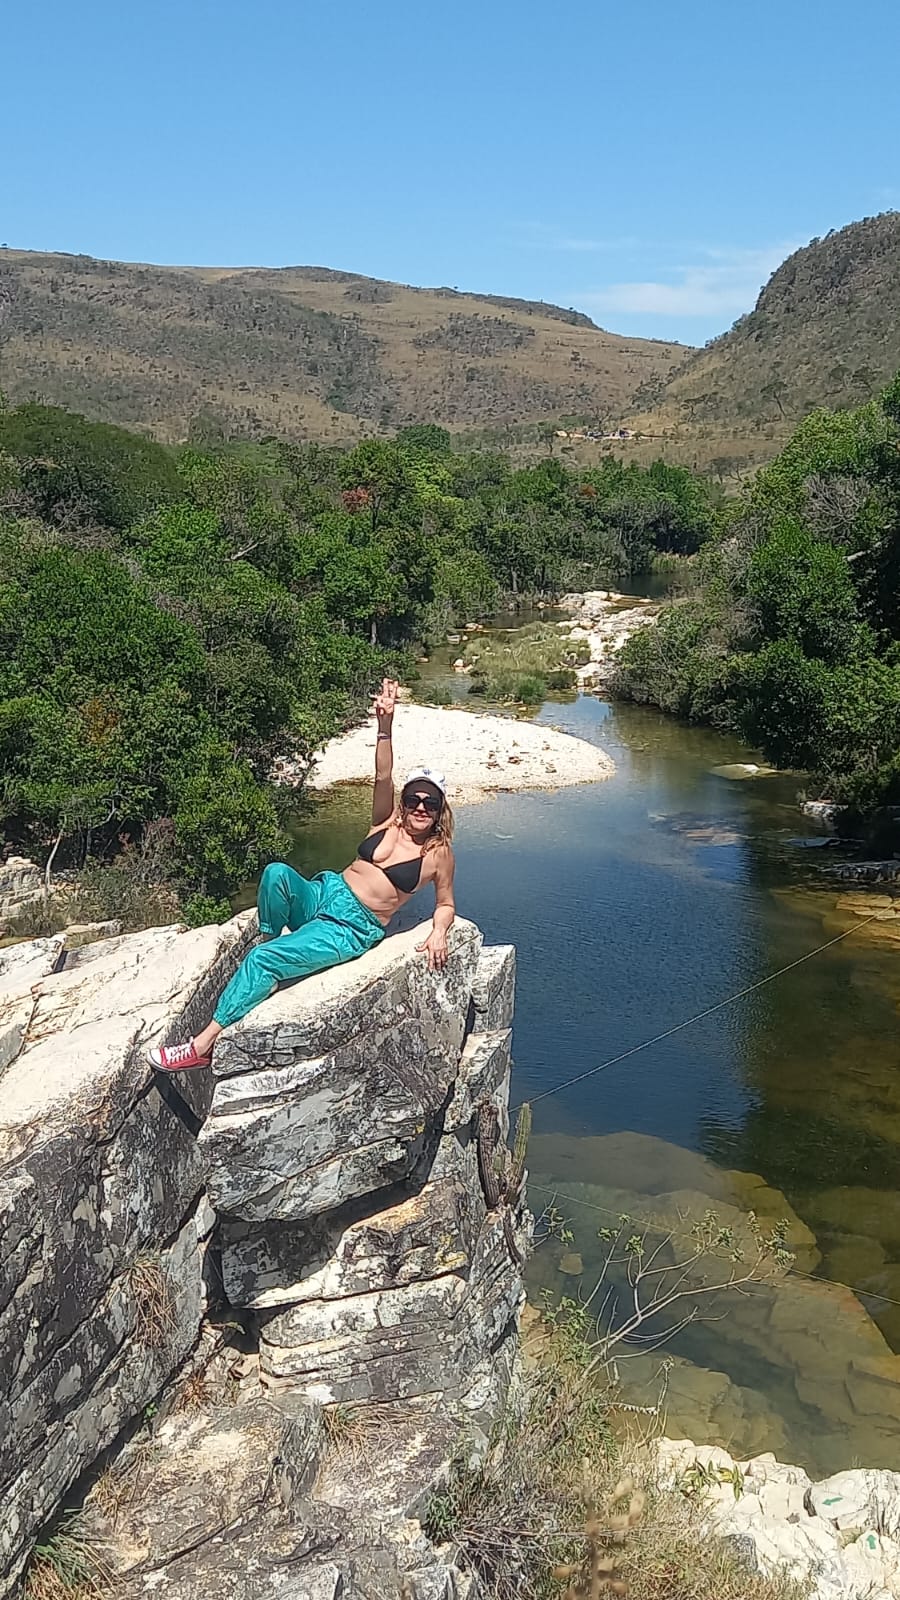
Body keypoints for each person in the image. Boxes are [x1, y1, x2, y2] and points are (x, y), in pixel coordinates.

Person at [148, 679, 456, 1071]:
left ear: (440, 810)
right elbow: (383, 775)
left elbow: (446, 903)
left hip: (350, 926)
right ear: (405, 800)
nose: (420, 807)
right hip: (326, 891)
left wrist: (440, 930)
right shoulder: (385, 821)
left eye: (430, 803)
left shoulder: (438, 853)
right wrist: (384, 724)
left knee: (262, 960)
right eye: (414, 798)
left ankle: (202, 1045)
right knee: (276, 873)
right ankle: (274, 944)